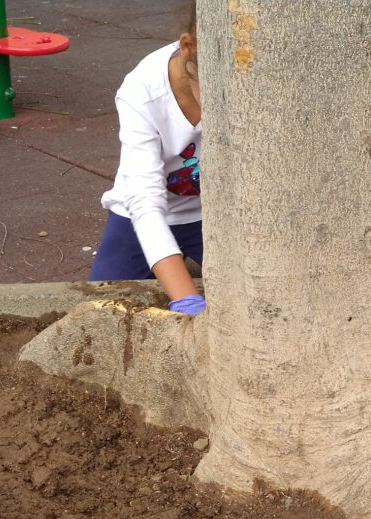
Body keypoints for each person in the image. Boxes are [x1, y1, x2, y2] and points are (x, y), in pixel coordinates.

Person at [88, 6, 206, 317]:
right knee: (99, 307)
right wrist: (186, 299)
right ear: (187, 48)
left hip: (216, 217)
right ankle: (171, 263)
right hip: (143, 212)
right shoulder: (142, 90)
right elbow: (145, 202)